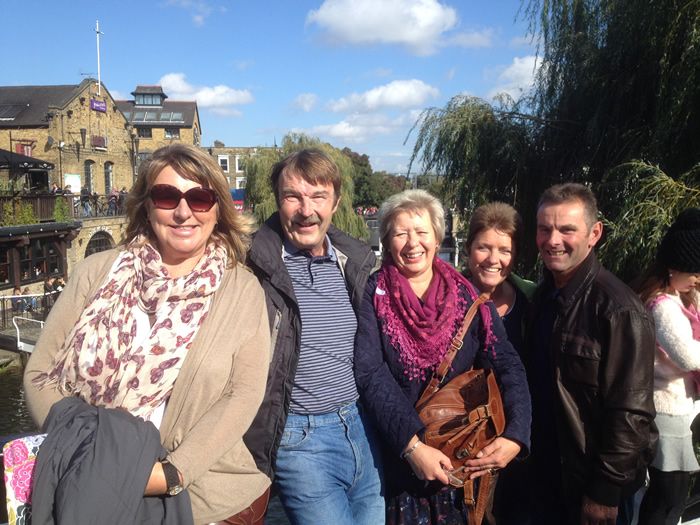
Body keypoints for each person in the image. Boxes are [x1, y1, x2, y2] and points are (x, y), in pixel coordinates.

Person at [24, 143, 271, 524]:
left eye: (200, 198)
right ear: (147, 204)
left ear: (218, 208)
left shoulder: (241, 290)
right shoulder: (96, 271)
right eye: (167, 195)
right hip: (87, 484)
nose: (184, 211)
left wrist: (170, 474)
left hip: (201, 496)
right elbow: (40, 374)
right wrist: (90, 456)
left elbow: (244, 394)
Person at [355, 189, 531, 524]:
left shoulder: (468, 295)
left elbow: (505, 362)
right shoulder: (372, 293)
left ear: (438, 239)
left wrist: (516, 435)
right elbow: (370, 372)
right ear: (386, 241)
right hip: (398, 464)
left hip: (459, 463)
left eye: (422, 232)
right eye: (400, 233)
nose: (412, 243)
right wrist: (413, 448)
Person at [245, 148, 384, 524]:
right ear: (278, 202)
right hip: (301, 438)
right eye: (293, 197)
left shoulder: (354, 262)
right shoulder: (253, 269)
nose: (306, 210)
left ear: (335, 203)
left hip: (362, 429)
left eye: (318, 196)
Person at [528, 183, 656, 524]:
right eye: (545, 229)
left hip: (591, 486)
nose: (553, 240)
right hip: (547, 477)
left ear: (594, 233)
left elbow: (631, 411)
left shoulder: (619, 310)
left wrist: (604, 491)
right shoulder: (543, 298)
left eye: (567, 229)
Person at [463, 202, 534, 524]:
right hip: (464, 442)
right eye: (484, 247)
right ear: (468, 249)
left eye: (504, 249)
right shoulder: (445, 297)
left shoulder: (532, 300)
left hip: (521, 440)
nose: (493, 259)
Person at [635, 208, 700, 524]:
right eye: (694, 272)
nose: (698, 279)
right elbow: (688, 356)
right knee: (669, 495)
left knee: (672, 495)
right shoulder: (663, 306)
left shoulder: (681, 299)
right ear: (674, 268)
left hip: (680, 408)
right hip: (667, 409)